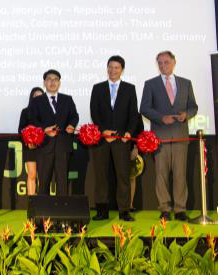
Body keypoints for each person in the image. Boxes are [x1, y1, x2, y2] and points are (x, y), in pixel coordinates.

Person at [140, 51, 198, 221]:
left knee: (181, 174)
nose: (163, 65)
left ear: (174, 62)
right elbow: (144, 108)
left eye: (166, 62)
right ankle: (164, 208)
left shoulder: (186, 83)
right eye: (160, 63)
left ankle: (180, 209)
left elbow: (193, 107)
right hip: (160, 137)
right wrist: (160, 117)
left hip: (180, 136)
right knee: (161, 174)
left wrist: (186, 115)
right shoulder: (150, 84)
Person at [89, 55, 139, 222]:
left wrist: (129, 133)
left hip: (121, 140)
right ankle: (102, 211)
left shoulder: (130, 89)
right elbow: (94, 112)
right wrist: (103, 131)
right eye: (110, 67)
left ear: (122, 70)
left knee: (123, 176)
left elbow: (133, 114)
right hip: (102, 140)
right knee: (101, 176)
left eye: (116, 67)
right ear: (107, 68)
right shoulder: (97, 88)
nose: (113, 70)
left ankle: (124, 211)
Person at [30, 69, 79, 196]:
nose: (52, 82)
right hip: (44, 147)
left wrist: (71, 125)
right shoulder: (37, 101)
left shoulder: (67, 99)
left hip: (63, 147)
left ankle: (62, 214)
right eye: (49, 79)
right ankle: (44, 214)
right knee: (44, 183)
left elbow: (74, 116)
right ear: (44, 83)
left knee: (62, 183)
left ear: (59, 83)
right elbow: (33, 120)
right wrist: (43, 130)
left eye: (55, 79)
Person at [18, 87, 44, 196]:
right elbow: (21, 130)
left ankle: (43, 205)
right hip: (30, 148)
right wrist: (29, 142)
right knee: (32, 175)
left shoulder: (48, 113)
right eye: (36, 96)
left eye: (41, 96)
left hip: (44, 148)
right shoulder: (25, 112)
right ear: (32, 98)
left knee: (43, 176)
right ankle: (32, 204)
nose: (38, 98)